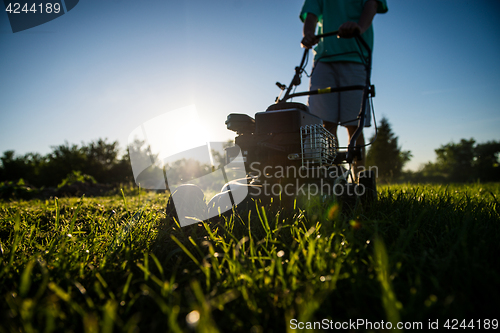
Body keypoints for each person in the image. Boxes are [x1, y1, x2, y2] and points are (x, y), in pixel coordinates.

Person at [300, 0, 388, 179]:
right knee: (326, 125)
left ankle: (359, 179)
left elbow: (371, 6)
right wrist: (309, 34)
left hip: (355, 56)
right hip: (324, 59)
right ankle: (333, 179)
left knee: (354, 125)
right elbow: (311, 15)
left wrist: (358, 27)